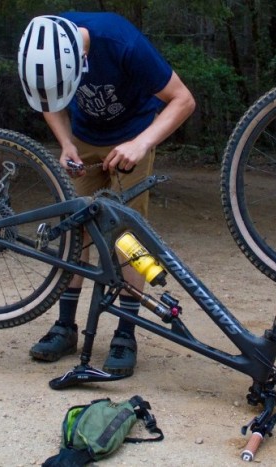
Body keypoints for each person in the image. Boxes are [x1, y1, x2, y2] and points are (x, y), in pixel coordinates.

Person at [17, 13, 196, 377]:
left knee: (128, 238)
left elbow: (183, 100)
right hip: (84, 139)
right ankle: (65, 327)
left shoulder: (122, 44)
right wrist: (66, 142)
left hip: (133, 135)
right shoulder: (42, 45)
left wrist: (141, 144)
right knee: (74, 229)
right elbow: (47, 99)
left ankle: (125, 334)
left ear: (80, 61)